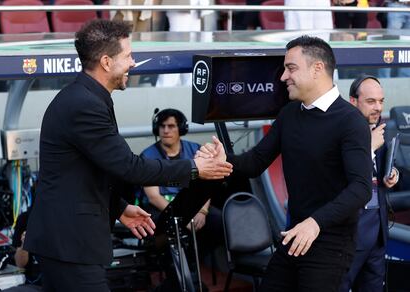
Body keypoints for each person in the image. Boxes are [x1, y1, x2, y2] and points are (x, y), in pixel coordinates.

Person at [23, 19, 232, 292]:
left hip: (70, 241)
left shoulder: (86, 98)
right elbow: (129, 166)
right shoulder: (84, 104)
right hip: (70, 243)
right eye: (128, 56)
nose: (134, 63)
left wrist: (119, 208)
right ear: (107, 62)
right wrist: (194, 168)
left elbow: (86, 173)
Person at [197, 35, 373, 292]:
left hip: (330, 245)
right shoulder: (289, 113)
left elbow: (361, 188)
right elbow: (255, 162)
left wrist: (315, 223)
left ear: (317, 69)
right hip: (293, 237)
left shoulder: (350, 121)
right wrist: (223, 162)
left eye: (291, 68)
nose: (283, 77)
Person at [339, 74, 399, 292]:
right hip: (350, 235)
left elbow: (383, 168)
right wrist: (369, 148)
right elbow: (338, 178)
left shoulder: (379, 131)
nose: (378, 107)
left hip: (378, 232)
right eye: (371, 101)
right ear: (353, 101)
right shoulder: (339, 134)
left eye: (381, 101)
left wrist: (392, 175)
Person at [141, 108, 223, 249]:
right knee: (164, 227)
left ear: (181, 128)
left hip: (192, 205)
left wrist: (202, 211)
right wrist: (183, 217)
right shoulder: (148, 156)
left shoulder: (195, 150)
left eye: (171, 126)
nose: (166, 131)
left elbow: (206, 186)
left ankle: (207, 263)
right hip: (161, 208)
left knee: (217, 220)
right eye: (162, 126)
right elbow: (154, 197)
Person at [3, 210, 42, 292]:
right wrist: (24, 244)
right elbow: (20, 264)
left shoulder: (65, 219)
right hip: (32, 283)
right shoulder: (25, 218)